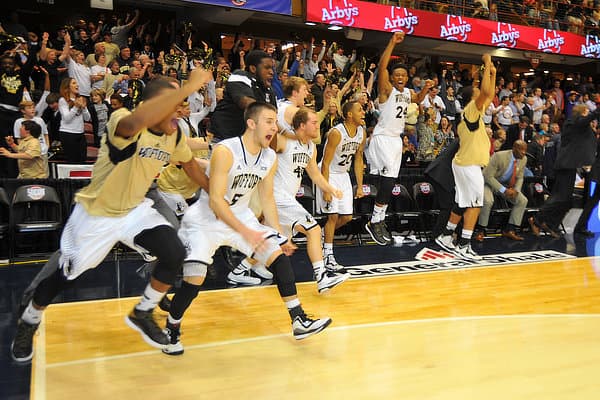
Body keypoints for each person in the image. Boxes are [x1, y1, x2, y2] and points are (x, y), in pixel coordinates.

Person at [10, 69, 213, 363]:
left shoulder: (175, 134)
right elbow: (136, 121)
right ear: (154, 104)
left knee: (174, 252)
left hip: (134, 209)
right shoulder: (123, 119)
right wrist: (190, 85)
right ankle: (29, 319)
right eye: (176, 101)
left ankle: (143, 311)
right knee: (66, 276)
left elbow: (191, 166)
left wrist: (217, 198)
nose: (182, 108)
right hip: (98, 213)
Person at [163, 102, 332, 355]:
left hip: (241, 214)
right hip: (206, 220)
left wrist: (277, 233)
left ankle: (298, 319)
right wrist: (247, 232)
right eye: (268, 121)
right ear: (251, 123)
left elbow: (267, 199)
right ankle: (171, 327)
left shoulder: (269, 157)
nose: (275, 127)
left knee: (277, 256)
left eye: (276, 122)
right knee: (193, 283)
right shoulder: (225, 150)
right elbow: (217, 200)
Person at [238, 107, 349, 292]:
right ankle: (321, 278)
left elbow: (314, 174)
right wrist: (281, 127)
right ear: (302, 125)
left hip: (286, 199)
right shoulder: (283, 141)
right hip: (275, 196)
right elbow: (266, 135)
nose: (317, 126)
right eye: (313, 122)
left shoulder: (311, 147)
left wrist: (331, 189)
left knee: (273, 242)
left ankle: (240, 270)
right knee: (313, 229)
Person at [365, 32, 432, 245]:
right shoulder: (386, 90)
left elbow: (418, 98)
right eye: (398, 74)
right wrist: (392, 43)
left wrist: (426, 90)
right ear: (393, 78)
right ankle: (374, 219)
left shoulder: (408, 92)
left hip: (396, 140)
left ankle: (377, 220)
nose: (401, 77)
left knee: (391, 180)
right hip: (383, 137)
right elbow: (383, 67)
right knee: (386, 179)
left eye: (404, 74)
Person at [434, 53, 496, 260]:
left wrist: (493, 73)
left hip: (463, 164)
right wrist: (487, 64)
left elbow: (489, 91)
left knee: (462, 202)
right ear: (472, 97)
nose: (483, 98)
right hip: (468, 165)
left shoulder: (473, 112)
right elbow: (487, 92)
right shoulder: (470, 110)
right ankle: (463, 245)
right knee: (475, 204)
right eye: (478, 95)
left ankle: (445, 236)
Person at [530, 102, 600, 238]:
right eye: (586, 112)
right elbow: (586, 121)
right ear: (581, 113)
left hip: (570, 166)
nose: (588, 115)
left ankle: (551, 224)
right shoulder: (571, 122)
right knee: (560, 196)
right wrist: (596, 111)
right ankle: (536, 219)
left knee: (567, 200)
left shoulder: (581, 127)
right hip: (565, 165)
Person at [317, 101, 366, 270]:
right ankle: (328, 255)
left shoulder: (361, 132)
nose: (364, 112)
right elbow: (325, 163)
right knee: (332, 215)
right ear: (349, 114)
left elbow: (358, 159)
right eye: (360, 109)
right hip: (329, 173)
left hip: (344, 175)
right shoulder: (337, 132)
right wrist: (325, 188)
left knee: (346, 217)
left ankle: (322, 235)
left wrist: (359, 186)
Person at [209, 50, 277, 143]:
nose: (271, 72)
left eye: (272, 68)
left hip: (248, 144)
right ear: (253, 69)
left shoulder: (269, 90)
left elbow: (273, 118)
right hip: (225, 140)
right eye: (267, 68)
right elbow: (249, 106)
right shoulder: (239, 76)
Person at [474, 140, 528, 242]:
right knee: (488, 201)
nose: (524, 152)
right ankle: (480, 230)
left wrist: (516, 190)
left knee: (522, 200)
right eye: (521, 150)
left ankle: (510, 230)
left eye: (525, 150)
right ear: (514, 149)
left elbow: (520, 177)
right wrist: (504, 190)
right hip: (487, 183)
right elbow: (487, 176)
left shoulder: (524, 159)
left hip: (505, 185)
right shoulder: (499, 156)